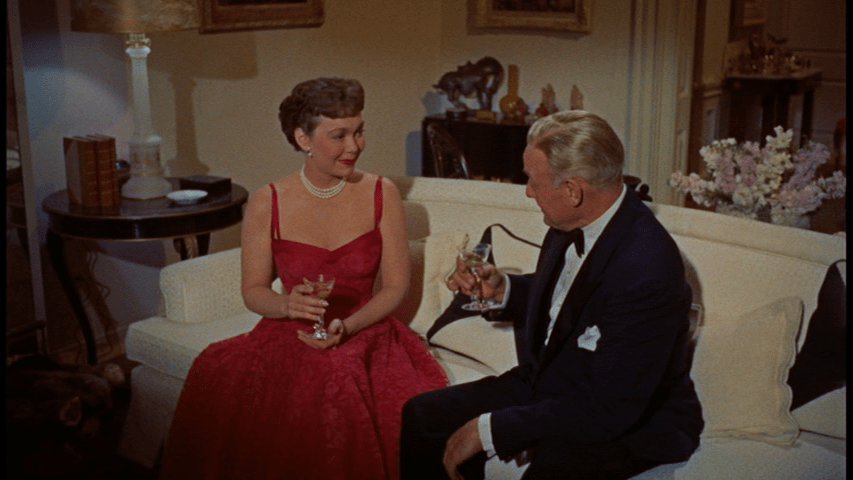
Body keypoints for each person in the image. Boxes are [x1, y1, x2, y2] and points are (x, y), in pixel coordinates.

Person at [160, 77, 447, 480]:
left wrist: (348, 327)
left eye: (359, 132)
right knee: (216, 368)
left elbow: (395, 287)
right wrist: (286, 304)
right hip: (289, 329)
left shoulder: (382, 193)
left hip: (363, 330)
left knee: (336, 376)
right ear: (303, 138)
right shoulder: (269, 200)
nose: (354, 146)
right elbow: (254, 291)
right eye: (339, 135)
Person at [400, 110, 703, 480]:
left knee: (551, 469)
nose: (528, 192)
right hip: (553, 384)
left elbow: (611, 406)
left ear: (573, 190)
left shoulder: (646, 267)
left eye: (533, 181)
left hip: (629, 417)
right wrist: (503, 289)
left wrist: (488, 430)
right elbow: (574, 301)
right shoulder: (570, 222)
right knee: (423, 415)